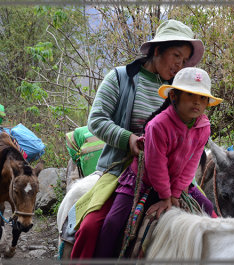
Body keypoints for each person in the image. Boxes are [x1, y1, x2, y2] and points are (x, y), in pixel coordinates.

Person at [70, 19, 205, 261]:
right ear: (157, 50)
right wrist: (128, 139)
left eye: (184, 61)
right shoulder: (121, 78)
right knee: (91, 227)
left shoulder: (180, 91)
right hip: (123, 170)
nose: (179, 64)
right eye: (176, 55)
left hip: (172, 175)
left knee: (211, 219)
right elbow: (97, 120)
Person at [93, 67, 223, 258]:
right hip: (144, 180)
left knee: (209, 210)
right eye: (190, 94)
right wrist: (165, 196)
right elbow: (155, 164)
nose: (197, 102)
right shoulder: (158, 125)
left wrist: (177, 192)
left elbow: (192, 161)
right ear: (174, 96)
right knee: (113, 222)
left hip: (179, 183)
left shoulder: (203, 127)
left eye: (203, 98)